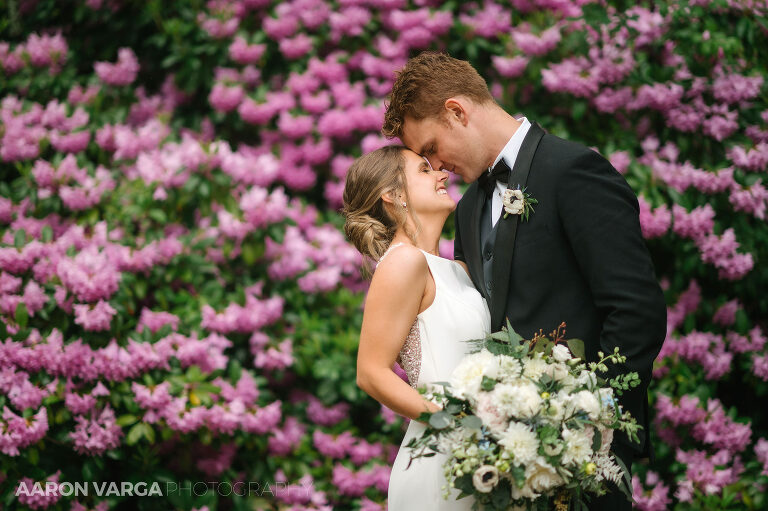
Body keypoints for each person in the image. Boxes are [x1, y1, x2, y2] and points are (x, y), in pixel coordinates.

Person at [382, 52, 667, 510]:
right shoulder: (471, 206)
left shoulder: (574, 171)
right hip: (503, 464)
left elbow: (637, 312)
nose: (436, 166)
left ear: (457, 111)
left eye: (432, 147)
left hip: (587, 458)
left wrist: (591, 420)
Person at [342, 145, 491, 510]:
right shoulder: (403, 262)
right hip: (439, 458)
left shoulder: (458, 269)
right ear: (393, 197)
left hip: (479, 457)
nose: (443, 174)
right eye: (425, 171)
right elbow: (371, 373)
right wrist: (452, 422)